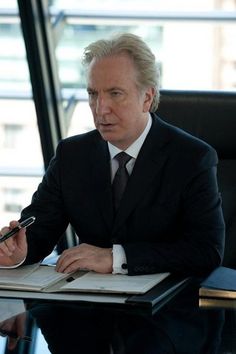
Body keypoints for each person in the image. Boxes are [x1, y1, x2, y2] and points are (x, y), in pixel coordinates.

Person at [0, 33, 225, 276]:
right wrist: (19, 251)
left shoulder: (192, 158)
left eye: (115, 93)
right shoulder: (72, 155)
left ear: (146, 98)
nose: (100, 108)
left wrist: (117, 258)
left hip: (163, 307)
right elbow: (39, 229)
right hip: (84, 304)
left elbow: (206, 250)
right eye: (93, 94)